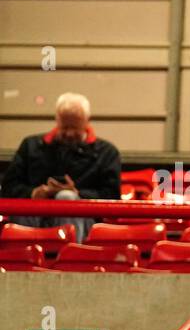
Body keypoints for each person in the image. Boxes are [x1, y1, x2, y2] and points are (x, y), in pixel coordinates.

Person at [1, 92, 121, 241]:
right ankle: (27, 252)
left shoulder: (107, 152)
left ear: (86, 122)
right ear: (57, 120)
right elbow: (8, 186)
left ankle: (70, 253)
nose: (70, 133)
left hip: (82, 220)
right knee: (29, 204)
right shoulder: (30, 146)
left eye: (75, 127)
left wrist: (78, 194)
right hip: (34, 215)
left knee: (66, 198)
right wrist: (34, 193)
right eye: (65, 127)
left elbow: (112, 196)